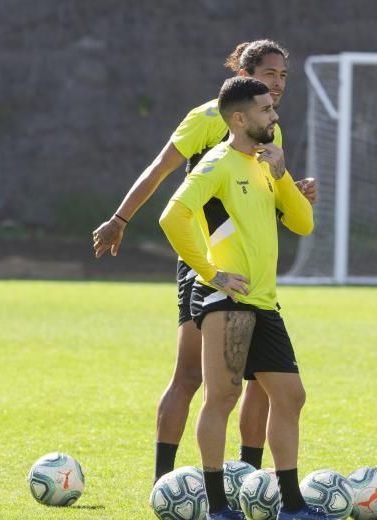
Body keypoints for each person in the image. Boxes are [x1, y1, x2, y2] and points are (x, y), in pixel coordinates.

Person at [91, 40, 315, 482]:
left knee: (264, 382)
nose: (278, 83)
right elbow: (160, 170)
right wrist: (120, 218)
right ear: (246, 72)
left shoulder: (271, 126)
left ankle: (249, 479)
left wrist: (291, 190)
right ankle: (165, 481)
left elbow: (257, 197)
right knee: (192, 375)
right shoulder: (208, 118)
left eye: (284, 76)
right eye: (270, 74)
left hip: (251, 268)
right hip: (204, 264)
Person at [159, 76, 347, 520]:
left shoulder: (266, 164)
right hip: (227, 301)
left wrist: (282, 176)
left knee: (291, 396)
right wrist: (211, 273)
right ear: (240, 118)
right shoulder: (218, 163)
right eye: (266, 110)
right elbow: (173, 216)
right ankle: (218, 506)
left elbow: (302, 224)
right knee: (222, 397)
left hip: (264, 303)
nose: (275, 115)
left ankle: (292, 506)